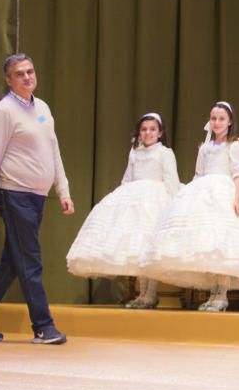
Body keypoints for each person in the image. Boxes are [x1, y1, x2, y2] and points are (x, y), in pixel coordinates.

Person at [0, 53, 74, 345]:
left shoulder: (43, 108)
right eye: (19, 73)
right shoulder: (4, 112)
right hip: (15, 194)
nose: (27, 77)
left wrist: (64, 191)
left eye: (30, 71)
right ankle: (43, 326)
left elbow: (53, 151)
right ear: (9, 80)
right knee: (31, 261)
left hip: (37, 197)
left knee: (13, 262)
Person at [139, 101, 239, 310]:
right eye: (213, 118)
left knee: (223, 244)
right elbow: (199, 174)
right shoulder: (205, 148)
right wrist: (188, 200)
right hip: (205, 193)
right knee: (209, 246)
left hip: (225, 192)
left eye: (221, 119)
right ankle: (213, 294)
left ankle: (221, 293)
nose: (217, 122)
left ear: (229, 121)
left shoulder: (235, 147)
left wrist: (237, 200)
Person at [66, 113, 181, 308]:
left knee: (149, 246)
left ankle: (150, 293)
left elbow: (171, 180)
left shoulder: (165, 153)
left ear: (160, 133)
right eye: (144, 129)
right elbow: (127, 178)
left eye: (152, 129)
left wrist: (173, 203)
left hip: (154, 200)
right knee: (137, 247)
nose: (148, 133)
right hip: (133, 200)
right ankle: (142, 293)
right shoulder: (134, 152)